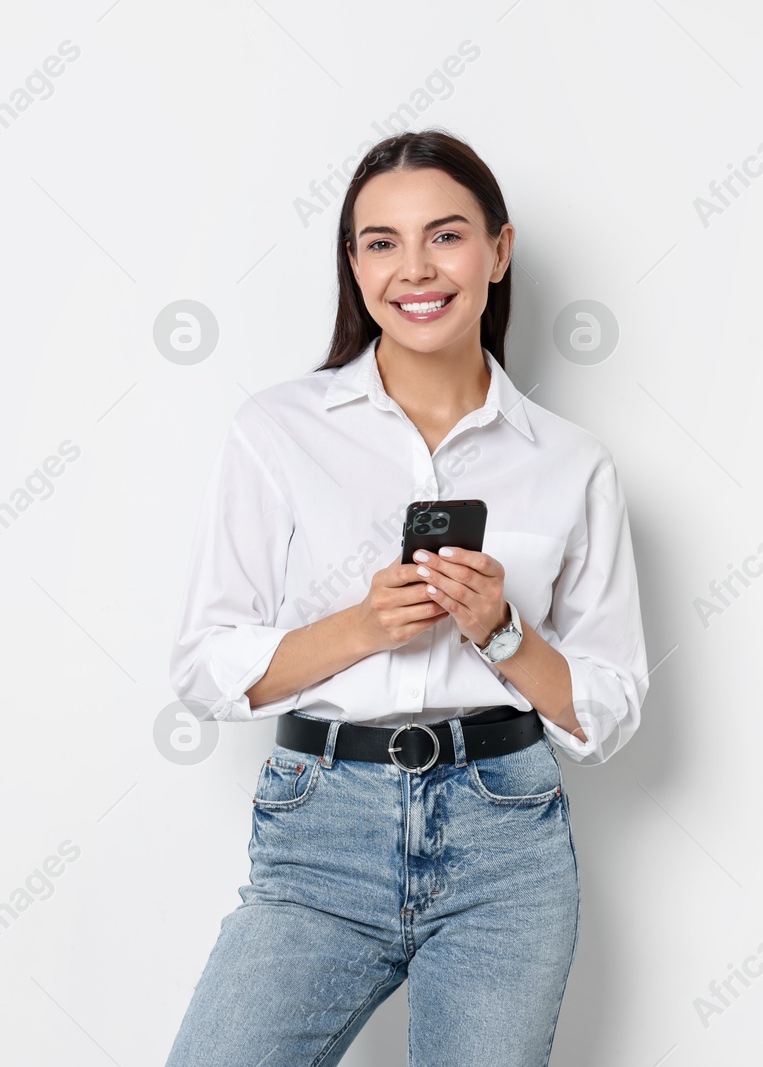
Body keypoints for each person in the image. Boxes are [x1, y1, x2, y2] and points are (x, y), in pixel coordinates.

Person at [164, 129, 649, 1065]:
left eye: (446, 235)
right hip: (320, 834)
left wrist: (504, 634)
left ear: (498, 251)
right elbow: (202, 665)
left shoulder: (572, 463)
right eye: (380, 242)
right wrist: (360, 627)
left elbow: (611, 709)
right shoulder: (278, 429)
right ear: (352, 264)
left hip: (506, 838)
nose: (414, 268)